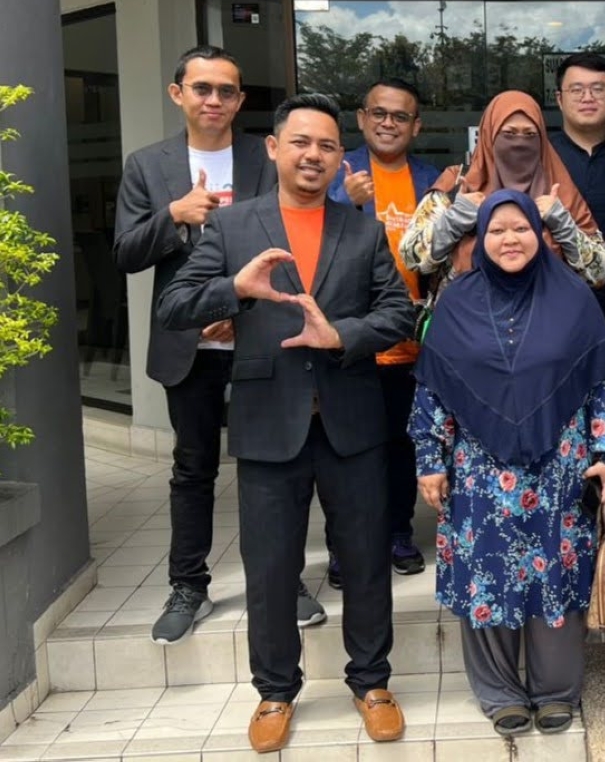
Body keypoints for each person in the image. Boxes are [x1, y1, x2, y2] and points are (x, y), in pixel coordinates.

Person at [157, 94, 413, 753]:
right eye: (301, 142)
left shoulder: (359, 228)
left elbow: (398, 315)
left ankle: (372, 683)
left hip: (352, 422)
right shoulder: (233, 226)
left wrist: (340, 336)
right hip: (270, 423)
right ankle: (275, 692)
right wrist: (234, 291)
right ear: (273, 148)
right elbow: (177, 305)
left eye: (327, 146)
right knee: (270, 567)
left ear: (338, 157)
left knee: (363, 561)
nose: (314, 155)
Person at [112, 45, 326, 643]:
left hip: (263, 338)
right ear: (177, 92)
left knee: (279, 465)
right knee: (193, 468)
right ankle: (189, 584)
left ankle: (287, 580)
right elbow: (125, 254)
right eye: (202, 88)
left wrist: (241, 309)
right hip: (190, 345)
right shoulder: (148, 166)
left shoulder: (264, 161)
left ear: (240, 101)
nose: (214, 100)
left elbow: (295, 239)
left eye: (226, 91)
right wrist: (174, 216)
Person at [408, 189, 605, 737]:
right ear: (480, 238)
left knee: (555, 573)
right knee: (486, 573)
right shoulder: (455, 301)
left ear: (540, 232)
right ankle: (500, 690)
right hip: (480, 476)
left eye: (521, 228)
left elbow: (602, 377)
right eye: (497, 230)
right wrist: (430, 459)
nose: (510, 239)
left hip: (560, 468)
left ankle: (556, 689)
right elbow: (434, 388)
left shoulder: (574, 297)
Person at [324, 78, 441, 585]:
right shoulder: (334, 171)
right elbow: (305, 242)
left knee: (402, 445)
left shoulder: (432, 180)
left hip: (413, 344)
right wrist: (343, 204)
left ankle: (397, 532)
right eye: (379, 113)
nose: (388, 123)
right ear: (362, 118)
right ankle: (344, 545)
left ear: (415, 126)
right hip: (348, 342)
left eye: (400, 116)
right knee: (345, 450)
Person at [399, 90, 605, 293]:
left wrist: (564, 226)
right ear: (489, 136)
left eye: (529, 134)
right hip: (467, 321)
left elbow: (600, 273)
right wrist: (454, 219)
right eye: (508, 133)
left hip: (546, 322)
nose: (519, 142)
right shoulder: (457, 183)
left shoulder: (557, 190)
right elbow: (411, 258)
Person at [551, 53, 605, 352]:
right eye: (577, 89)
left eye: (598, 89)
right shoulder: (540, 155)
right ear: (559, 99)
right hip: (551, 317)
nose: (588, 97)